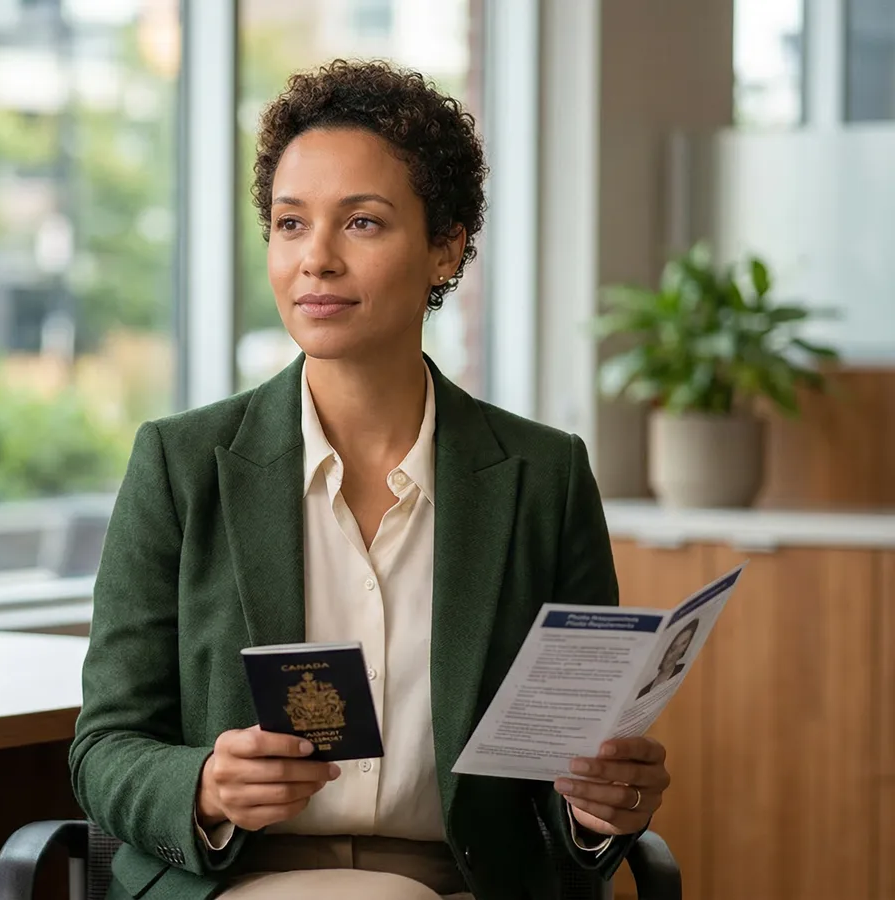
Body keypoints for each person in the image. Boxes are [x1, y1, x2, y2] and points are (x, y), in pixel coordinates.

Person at [69, 60, 672, 900]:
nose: (315, 259)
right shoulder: (180, 465)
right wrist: (204, 786)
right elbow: (106, 749)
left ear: (445, 248)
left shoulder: (542, 477)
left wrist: (602, 807)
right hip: (235, 884)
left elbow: (565, 766)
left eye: (361, 222)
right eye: (289, 223)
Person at [637, 619, 700, 699]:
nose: (674, 653)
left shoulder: (685, 672)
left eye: (684, 643)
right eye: (672, 648)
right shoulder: (643, 693)